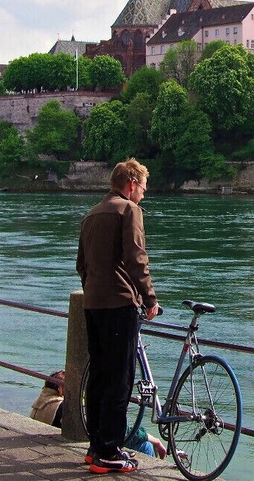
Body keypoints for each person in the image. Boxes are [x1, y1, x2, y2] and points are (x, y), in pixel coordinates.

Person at [77, 158, 160, 475]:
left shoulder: (91, 215)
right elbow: (136, 257)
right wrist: (149, 297)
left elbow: (81, 265)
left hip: (93, 304)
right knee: (119, 380)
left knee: (99, 376)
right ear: (130, 184)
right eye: (142, 187)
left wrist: (93, 289)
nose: (143, 194)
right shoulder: (129, 211)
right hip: (119, 305)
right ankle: (109, 451)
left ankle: (95, 445)